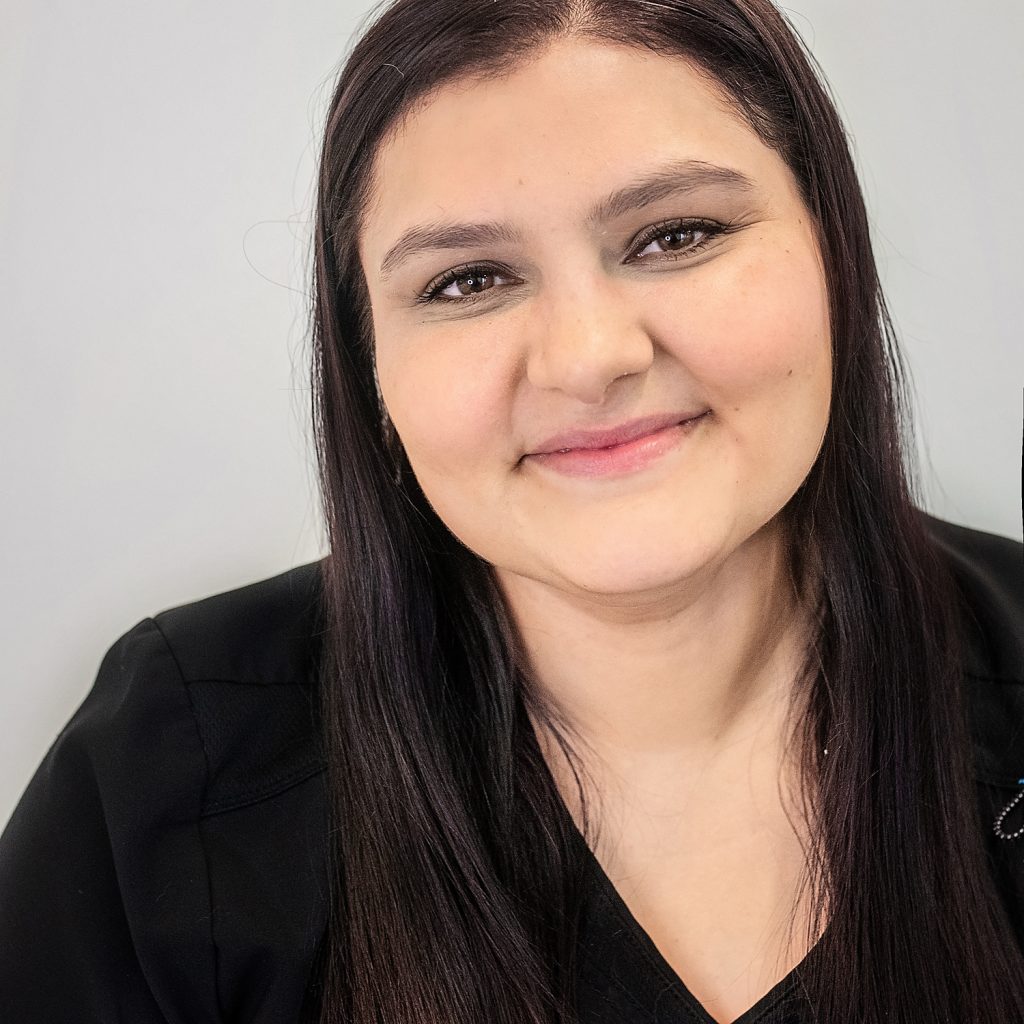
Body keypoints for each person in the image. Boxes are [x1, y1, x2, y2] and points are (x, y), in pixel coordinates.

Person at [1, 0, 1022, 1021]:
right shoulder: (171, 772)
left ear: (834, 253)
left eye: (676, 234)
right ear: (370, 369)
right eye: (468, 281)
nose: (588, 357)